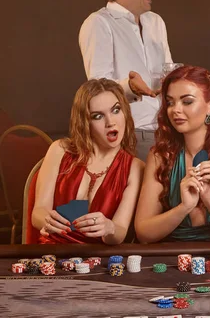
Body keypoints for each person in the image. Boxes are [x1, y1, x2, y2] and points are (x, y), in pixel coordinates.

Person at [134, 66, 210, 242]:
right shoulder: (160, 155)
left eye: (187, 102)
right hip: (173, 260)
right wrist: (184, 207)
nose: (175, 110)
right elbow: (144, 233)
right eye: (170, 102)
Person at [79, 0, 173, 162]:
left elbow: (168, 70)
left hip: (168, 131)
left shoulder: (156, 22)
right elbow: (96, 91)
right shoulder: (99, 23)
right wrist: (130, 87)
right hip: (131, 136)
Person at [32, 79, 144, 244]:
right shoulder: (60, 150)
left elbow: (119, 232)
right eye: (97, 116)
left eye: (116, 110)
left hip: (97, 261)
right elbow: (38, 212)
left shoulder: (135, 167)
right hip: (52, 252)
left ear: (125, 112)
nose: (110, 122)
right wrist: (46, 219)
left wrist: (109, 227)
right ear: (85, 122)